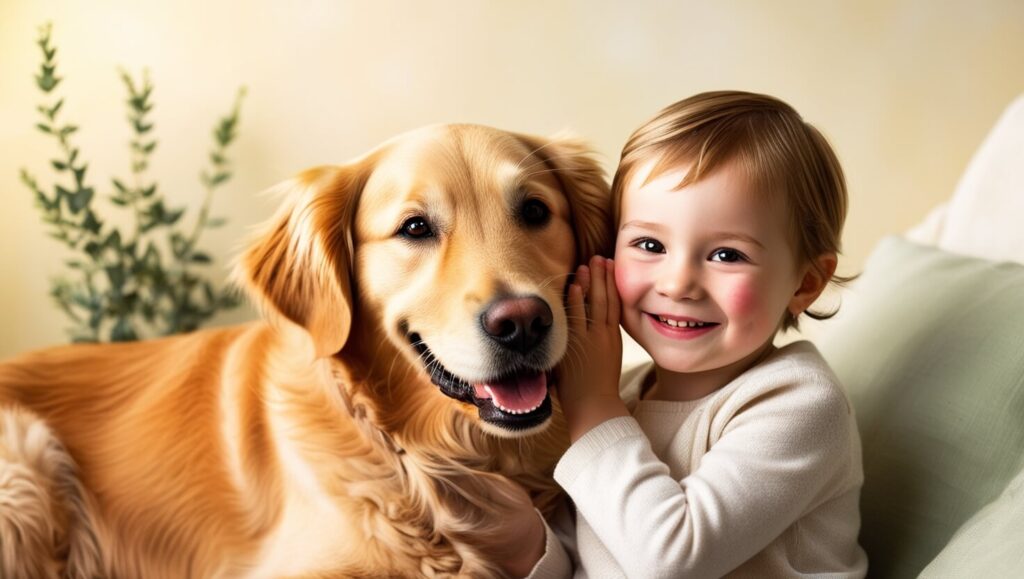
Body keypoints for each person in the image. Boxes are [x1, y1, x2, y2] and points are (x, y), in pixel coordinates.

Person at [522, 91, 868, 578]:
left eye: (727, 255)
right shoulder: (624, 396)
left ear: (805, 282)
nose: (678, 283)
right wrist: (528, 545)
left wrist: (591, 406)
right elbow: (592, 557)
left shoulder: (799, 404)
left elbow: (670, 559)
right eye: (649, 244)